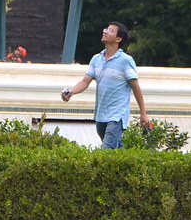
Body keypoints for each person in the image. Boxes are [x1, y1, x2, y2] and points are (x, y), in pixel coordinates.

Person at [61, 21, 152, 149]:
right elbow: (85, 82)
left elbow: (136, 87)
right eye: (106, 29)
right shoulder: (96, 59)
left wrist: (143, 114)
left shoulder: (126, 60)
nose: (105, 31)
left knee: (106, 150)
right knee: (116, 151)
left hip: (117, 116)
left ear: (118, 39)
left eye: (111, 30)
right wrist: (70, 92)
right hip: (100, 115)